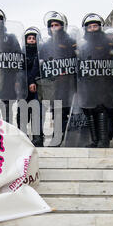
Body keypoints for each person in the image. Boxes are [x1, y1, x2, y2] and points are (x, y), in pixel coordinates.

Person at [76, 13, 113, 148]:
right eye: (90, 27)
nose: (93, 29)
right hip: (88, 85)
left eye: (95, 26)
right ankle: (95, 140)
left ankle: (103, 140)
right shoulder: (83, 47)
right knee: (89, 110)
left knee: (101, 109)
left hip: (104, 84)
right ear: (86, 29)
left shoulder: (108, 45)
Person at [37, 11, 77, 146]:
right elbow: (41, 65)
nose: (54, 27)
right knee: (57, 112)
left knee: (67, 112)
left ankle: (64, 139)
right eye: (52, 25)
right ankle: (58, 138)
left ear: (63, 26)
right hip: (54, 85)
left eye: (57, 25)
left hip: (70, 84)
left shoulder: (71, 42)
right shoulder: (45, 45)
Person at [17, 26, 43, 146]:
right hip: (23, 87)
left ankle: (38, 138)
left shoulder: (41, 53)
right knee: (22, 112)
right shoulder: (21, 54)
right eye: (29, 38)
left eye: (34, 38)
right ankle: (22, 136)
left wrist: (32, 81)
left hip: (37, 86)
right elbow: (19, 70)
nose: (32, 40)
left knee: (36, 111)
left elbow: (37, 69)